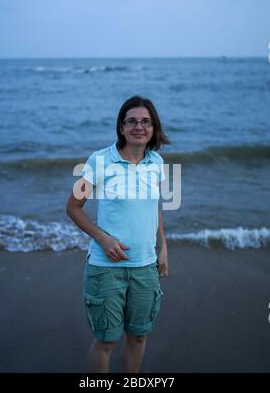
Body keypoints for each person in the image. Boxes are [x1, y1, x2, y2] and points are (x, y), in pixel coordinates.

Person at [66, 95, 170, 373]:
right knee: (106, 342)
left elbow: (154, 207)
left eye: (146, 121)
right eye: (132, 121)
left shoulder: (157, 162)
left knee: (138, 336)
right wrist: (103, 238)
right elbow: (73, 207)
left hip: (145, 267)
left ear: (153, 128)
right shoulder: (100, 161)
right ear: (121, 127)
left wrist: (163, 248)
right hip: (106, 268)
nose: (139, 126)